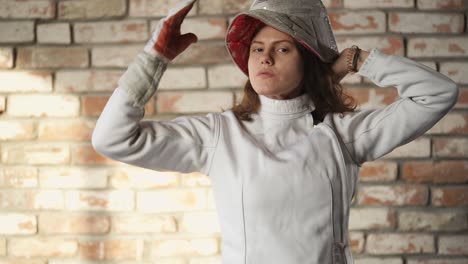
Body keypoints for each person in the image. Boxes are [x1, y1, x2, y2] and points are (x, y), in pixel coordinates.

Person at [92, 0, 459, 263]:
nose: (265, 58)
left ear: (310, 60)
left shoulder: (342, 136)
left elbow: (438, 93)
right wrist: (154, 58)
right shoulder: (220, 135)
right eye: (257, 48)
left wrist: (360, 59)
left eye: (282, 49)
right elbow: (112, 138)